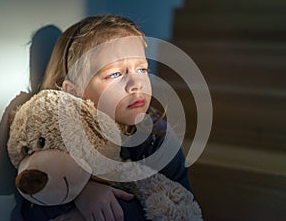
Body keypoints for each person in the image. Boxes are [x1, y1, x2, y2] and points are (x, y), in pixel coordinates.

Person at [20, 14, 193, 221]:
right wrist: (81, 193)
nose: (136, 83)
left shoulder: (157, 136)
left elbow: (182, 206)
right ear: (75, 92)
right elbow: (33, 203)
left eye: (142, 69)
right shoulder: (58, 138)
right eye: (115, 74)